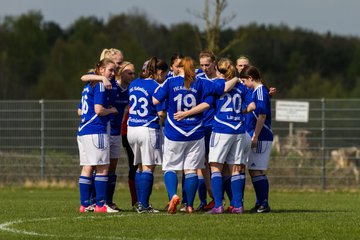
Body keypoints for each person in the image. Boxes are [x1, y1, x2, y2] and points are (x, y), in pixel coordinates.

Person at [153, 56, 240, 214]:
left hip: (174, 131)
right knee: (192, 170)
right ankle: (190, 205)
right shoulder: (201, 82)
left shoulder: (171, 81)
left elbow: (154, 99)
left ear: (179, 68)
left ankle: (173, 195)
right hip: (196, 132)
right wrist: (236, 78)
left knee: (171, 168)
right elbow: (223, 89)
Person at [80, 48, 127, 211]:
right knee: (101, 167)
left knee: (95, 166)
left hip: (93, 130)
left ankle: (91, 203)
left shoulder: (106, 82)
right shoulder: (100, 82)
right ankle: (99, 203)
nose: (118, 69)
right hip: (98, 129)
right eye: (116, 65)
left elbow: (80, 110)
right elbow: (99, 109)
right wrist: (111, 110)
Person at [127, 57, 168, 213]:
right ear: (158, 72)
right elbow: (161, 113)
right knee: (148, 167)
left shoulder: (134, 83)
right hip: (147, 128)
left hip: (132, 128)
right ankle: (144, 205)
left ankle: (140, 203)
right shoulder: (157, 87)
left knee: (139, 166)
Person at [240, 65, 273, 213]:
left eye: (244, 81)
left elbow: (262, 115)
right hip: (258, 135)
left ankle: (264, 203)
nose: (244, 84)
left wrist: (255, 136)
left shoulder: (261, 91)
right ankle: (260, 202)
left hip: (261, 135)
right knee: (254, 170)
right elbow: (252, 107)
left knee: (258, 170)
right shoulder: (256, 92)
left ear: (251, 78)